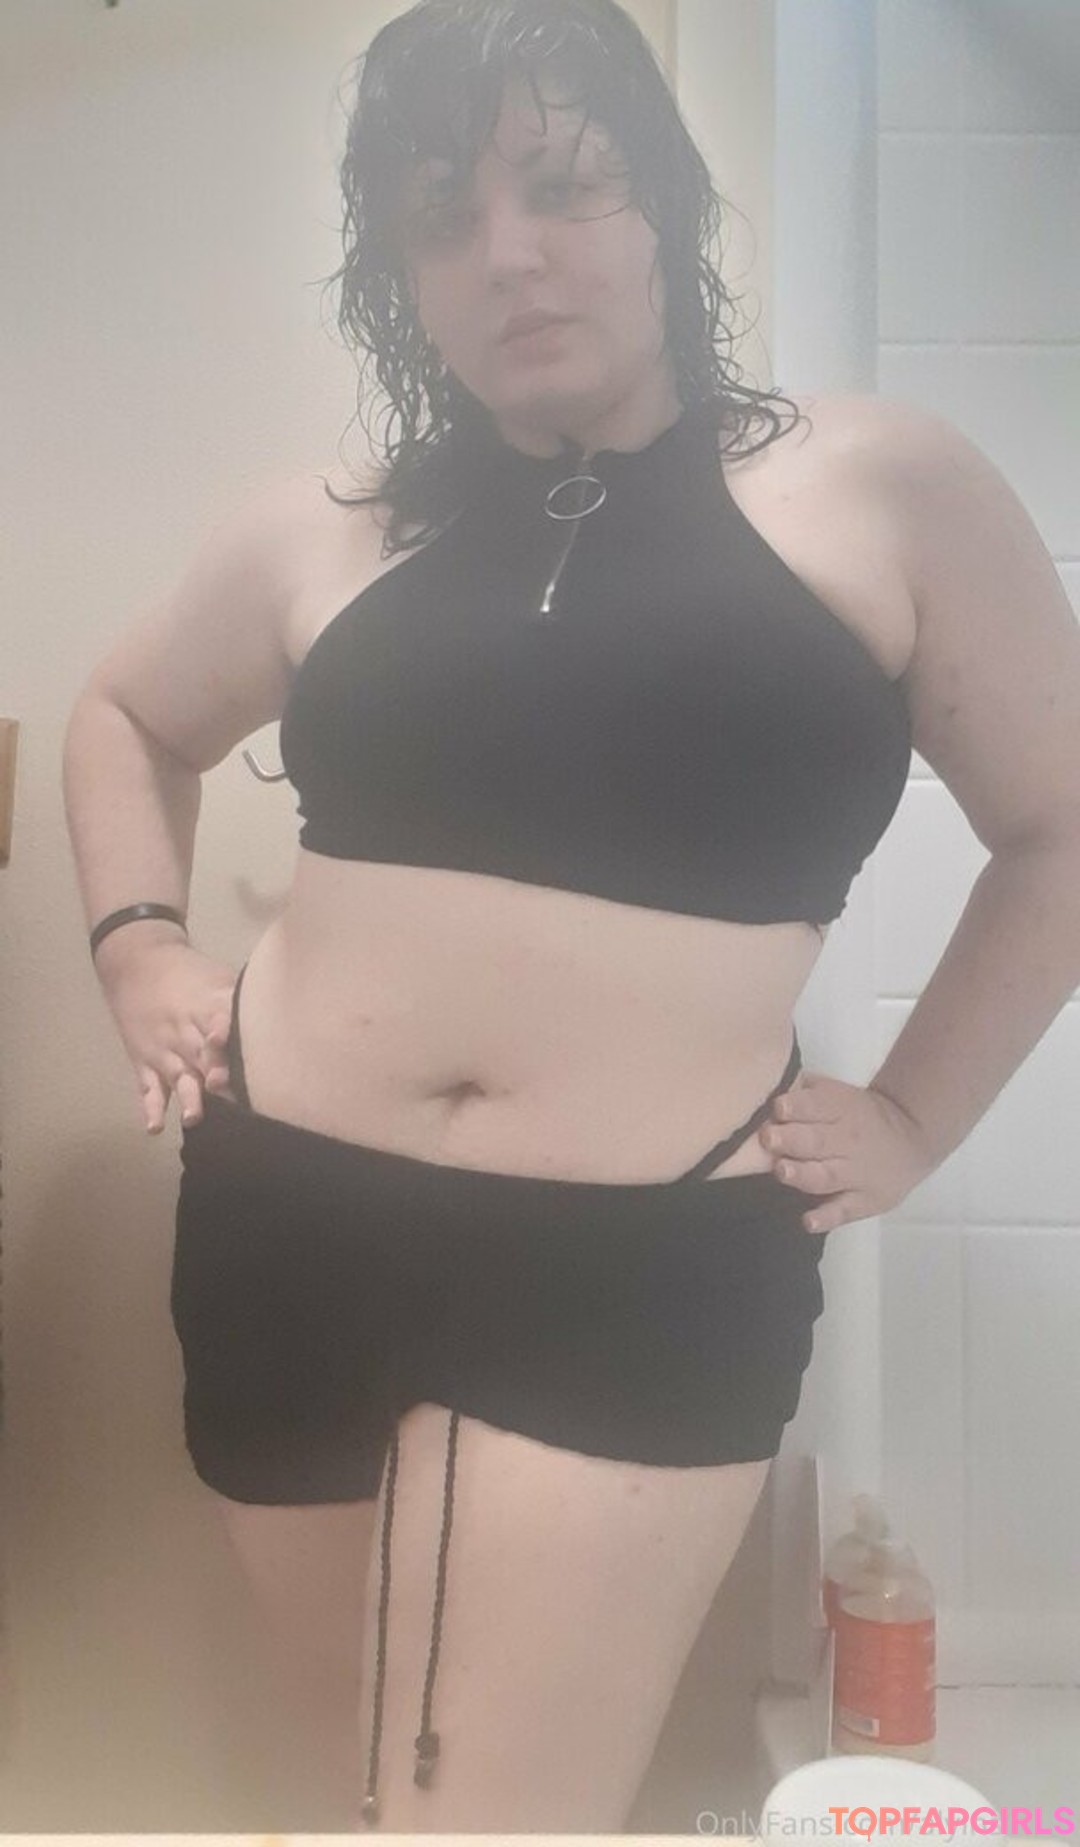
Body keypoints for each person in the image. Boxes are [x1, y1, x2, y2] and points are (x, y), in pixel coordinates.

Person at [62, 0, 1080, 1833]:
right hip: (288, 1221)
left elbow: (1062, 826)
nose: (508, 251)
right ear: (403, 277)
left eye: (563, 184)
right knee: (346, 1799)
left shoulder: (879, 486)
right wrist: (139, 943)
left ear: (662, 202)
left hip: (637, 1270)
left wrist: (916, 1116)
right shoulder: (334, 525)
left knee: (484, 1822)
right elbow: (126, 715)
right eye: (444, 217)